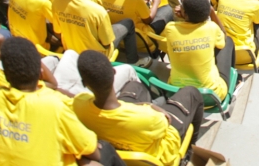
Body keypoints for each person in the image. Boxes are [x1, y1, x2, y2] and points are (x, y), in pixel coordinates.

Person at [0, 36, 114, 165]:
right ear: (40, 73)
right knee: (105, 149)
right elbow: (92, 151)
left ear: (5, 75)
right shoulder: (53, 105)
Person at [73, 50, 203, 165]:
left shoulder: (78, 105)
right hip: (161, 154)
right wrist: (150, 106)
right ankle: (188, 151)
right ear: (114, 72)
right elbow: (166, 119)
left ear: (85, 83)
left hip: (121, 144)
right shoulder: (148, 118)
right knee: (192, 93)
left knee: (135, 85)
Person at [160, 0, 234, 102]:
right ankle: (236, 82)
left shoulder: (170, 28)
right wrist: (212, 13)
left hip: (177, 92)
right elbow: (222, 36)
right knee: (227, 41)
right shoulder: (211, 28)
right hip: (211, 96)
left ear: (184, 12)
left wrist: (184, 17)